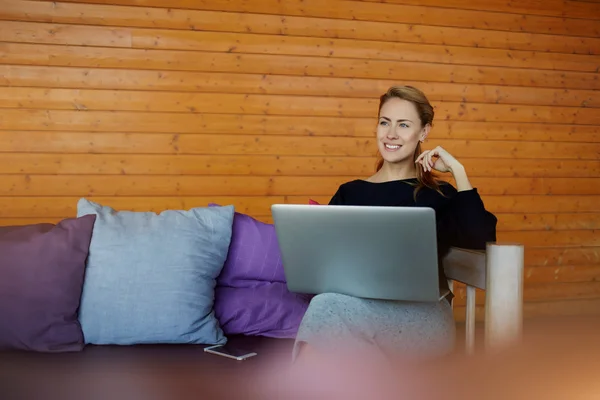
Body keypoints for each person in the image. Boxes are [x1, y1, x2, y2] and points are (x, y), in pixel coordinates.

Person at [292, 85, 498, 364]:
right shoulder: (349, 193)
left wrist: (458, 172)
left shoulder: (438, 195)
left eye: (403, 125)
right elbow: (324, 264)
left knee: (327, 311)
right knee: (327, 309)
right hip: (355, 309)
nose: (391, 134)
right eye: (384, 122)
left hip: (423, 318)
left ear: (423, 132)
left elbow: (480, 240)